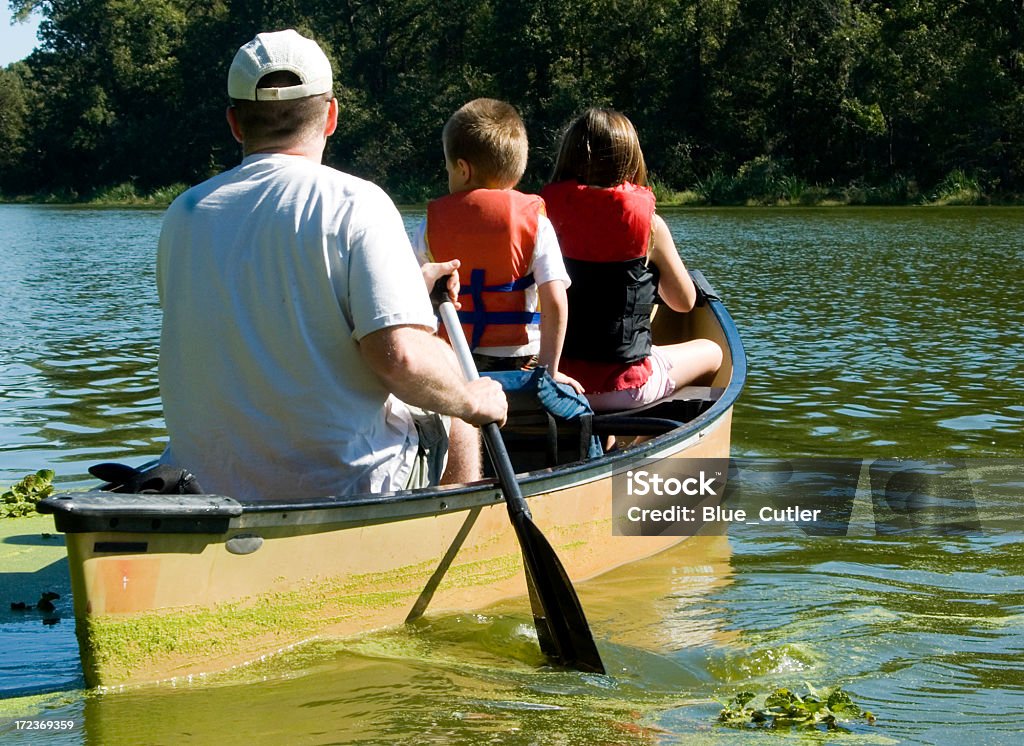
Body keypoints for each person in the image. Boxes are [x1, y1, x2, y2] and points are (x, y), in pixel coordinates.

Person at [156, 30, 506, 501]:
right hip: (340, 487)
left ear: (236, 123)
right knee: (447, 377)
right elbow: (399, 357)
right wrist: (470, 400)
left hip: (205, 489)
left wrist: (407, 285)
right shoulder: (356, 202)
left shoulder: (185, 212)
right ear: (331, 116)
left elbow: (257, 310)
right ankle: (453, 541)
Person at [540, 108, 722, 412]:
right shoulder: (649, 225)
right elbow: (684, 302)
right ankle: (645, 440)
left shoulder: (542, 216)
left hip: (554, 385)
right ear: (630, 159)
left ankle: (606, 441)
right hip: (625, 389)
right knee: (713, 351)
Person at [412, 98, 579, 390]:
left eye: (448, 168)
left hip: (457, 364)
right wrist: (549, 371)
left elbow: (411, 298)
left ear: (463, 169)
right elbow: (555, 300)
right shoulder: (536, 223)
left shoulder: (428, 227)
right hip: (524, 361)